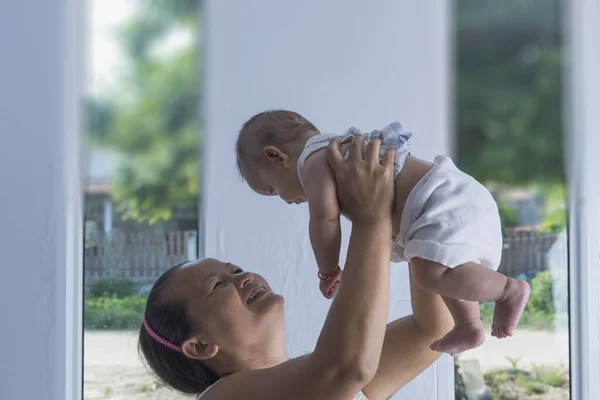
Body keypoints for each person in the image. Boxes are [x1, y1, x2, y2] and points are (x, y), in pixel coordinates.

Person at [139, 136, 454, 399]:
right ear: (200, 345)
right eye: (219, 285)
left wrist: (414, 210)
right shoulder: (221, 397)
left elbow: (434, 329)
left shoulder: (334, 377)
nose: (243, 277)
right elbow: (347, 368)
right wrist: (371, 217)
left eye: (235, 271)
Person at [234, 109, 531, 355]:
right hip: (447, 199)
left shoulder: (313, 161)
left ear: (276, 156)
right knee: (434, 270)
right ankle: (468, 325)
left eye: (272, 190)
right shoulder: (334, 149)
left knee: (428, 273)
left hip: (440, 199)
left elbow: (325, 219)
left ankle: (508, 291)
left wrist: (327, 270)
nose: (286, 201)